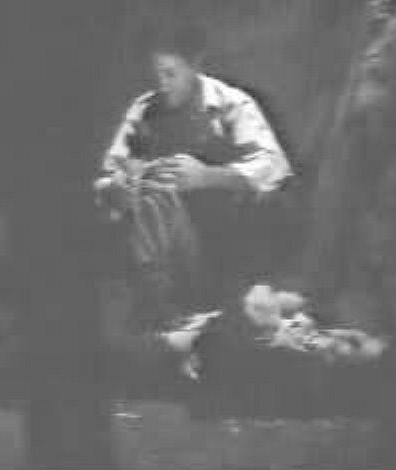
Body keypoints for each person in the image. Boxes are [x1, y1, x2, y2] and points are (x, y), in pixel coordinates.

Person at [94, 22, 294, 359]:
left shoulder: (231, 105)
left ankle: (177, 313)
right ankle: (159, 308)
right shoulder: (145, 109)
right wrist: (117, 187)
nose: (161, 83)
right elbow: (108, 172)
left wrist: (208, 176)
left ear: (195, 66)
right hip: (161, 241)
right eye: (155, 74)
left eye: (170, 73)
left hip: (223, 241)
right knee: (151, 194)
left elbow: (274, 167)